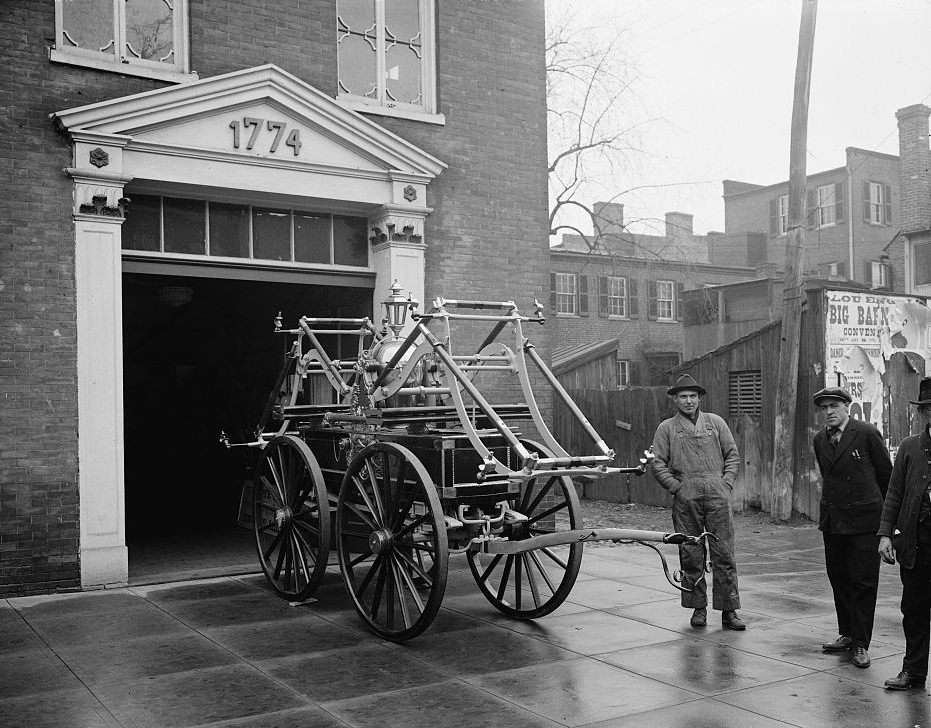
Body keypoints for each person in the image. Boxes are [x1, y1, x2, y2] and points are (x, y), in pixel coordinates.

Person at [651, 374, 744, 630]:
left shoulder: (715, 423)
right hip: (686, 496)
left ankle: (729, 611)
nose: (689, 401)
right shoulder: (667, 428)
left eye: (693, 396)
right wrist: (676, 487)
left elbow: (732, 455)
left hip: (718, 493)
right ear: (675, 400)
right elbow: (657, 462)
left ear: (699, 398)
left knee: (724, 553)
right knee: (691, 553)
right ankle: (698, 608)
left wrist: (726, 483)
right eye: (683, 397)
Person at [812, 387, 892, 670]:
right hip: (834, 522)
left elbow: (887, 478)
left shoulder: (867, 433)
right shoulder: (820, 439)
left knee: (863, 583)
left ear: (847, 406)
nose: (829, 412)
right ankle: (846, 633)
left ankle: (861, 643)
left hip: (865, 522)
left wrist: (888, 524)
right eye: (824, 408)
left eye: (834, 406)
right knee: (839, 578)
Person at [878, 377, 931, 690]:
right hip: (915, 546)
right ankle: (913, 672)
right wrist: (885, 535)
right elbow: (894, 493)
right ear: (924, 414)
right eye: (929, 409)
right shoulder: (911, 448)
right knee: (913, 612)